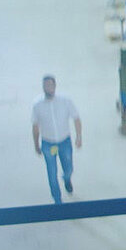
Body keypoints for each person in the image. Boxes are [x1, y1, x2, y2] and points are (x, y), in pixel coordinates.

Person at [31, 74, 82, 205]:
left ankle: (66, 178)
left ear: (55, 86)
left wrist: (79, 137)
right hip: (48, 144)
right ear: (43, 87)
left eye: (50, 85)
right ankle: (57, 199)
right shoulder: (37, 105)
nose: (48, 88)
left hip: (64, 142)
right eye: (46, 85)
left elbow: (76, 118)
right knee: (51, 172)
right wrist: (36, 145)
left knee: (69, 167)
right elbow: (35, 126)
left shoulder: (65, 101)